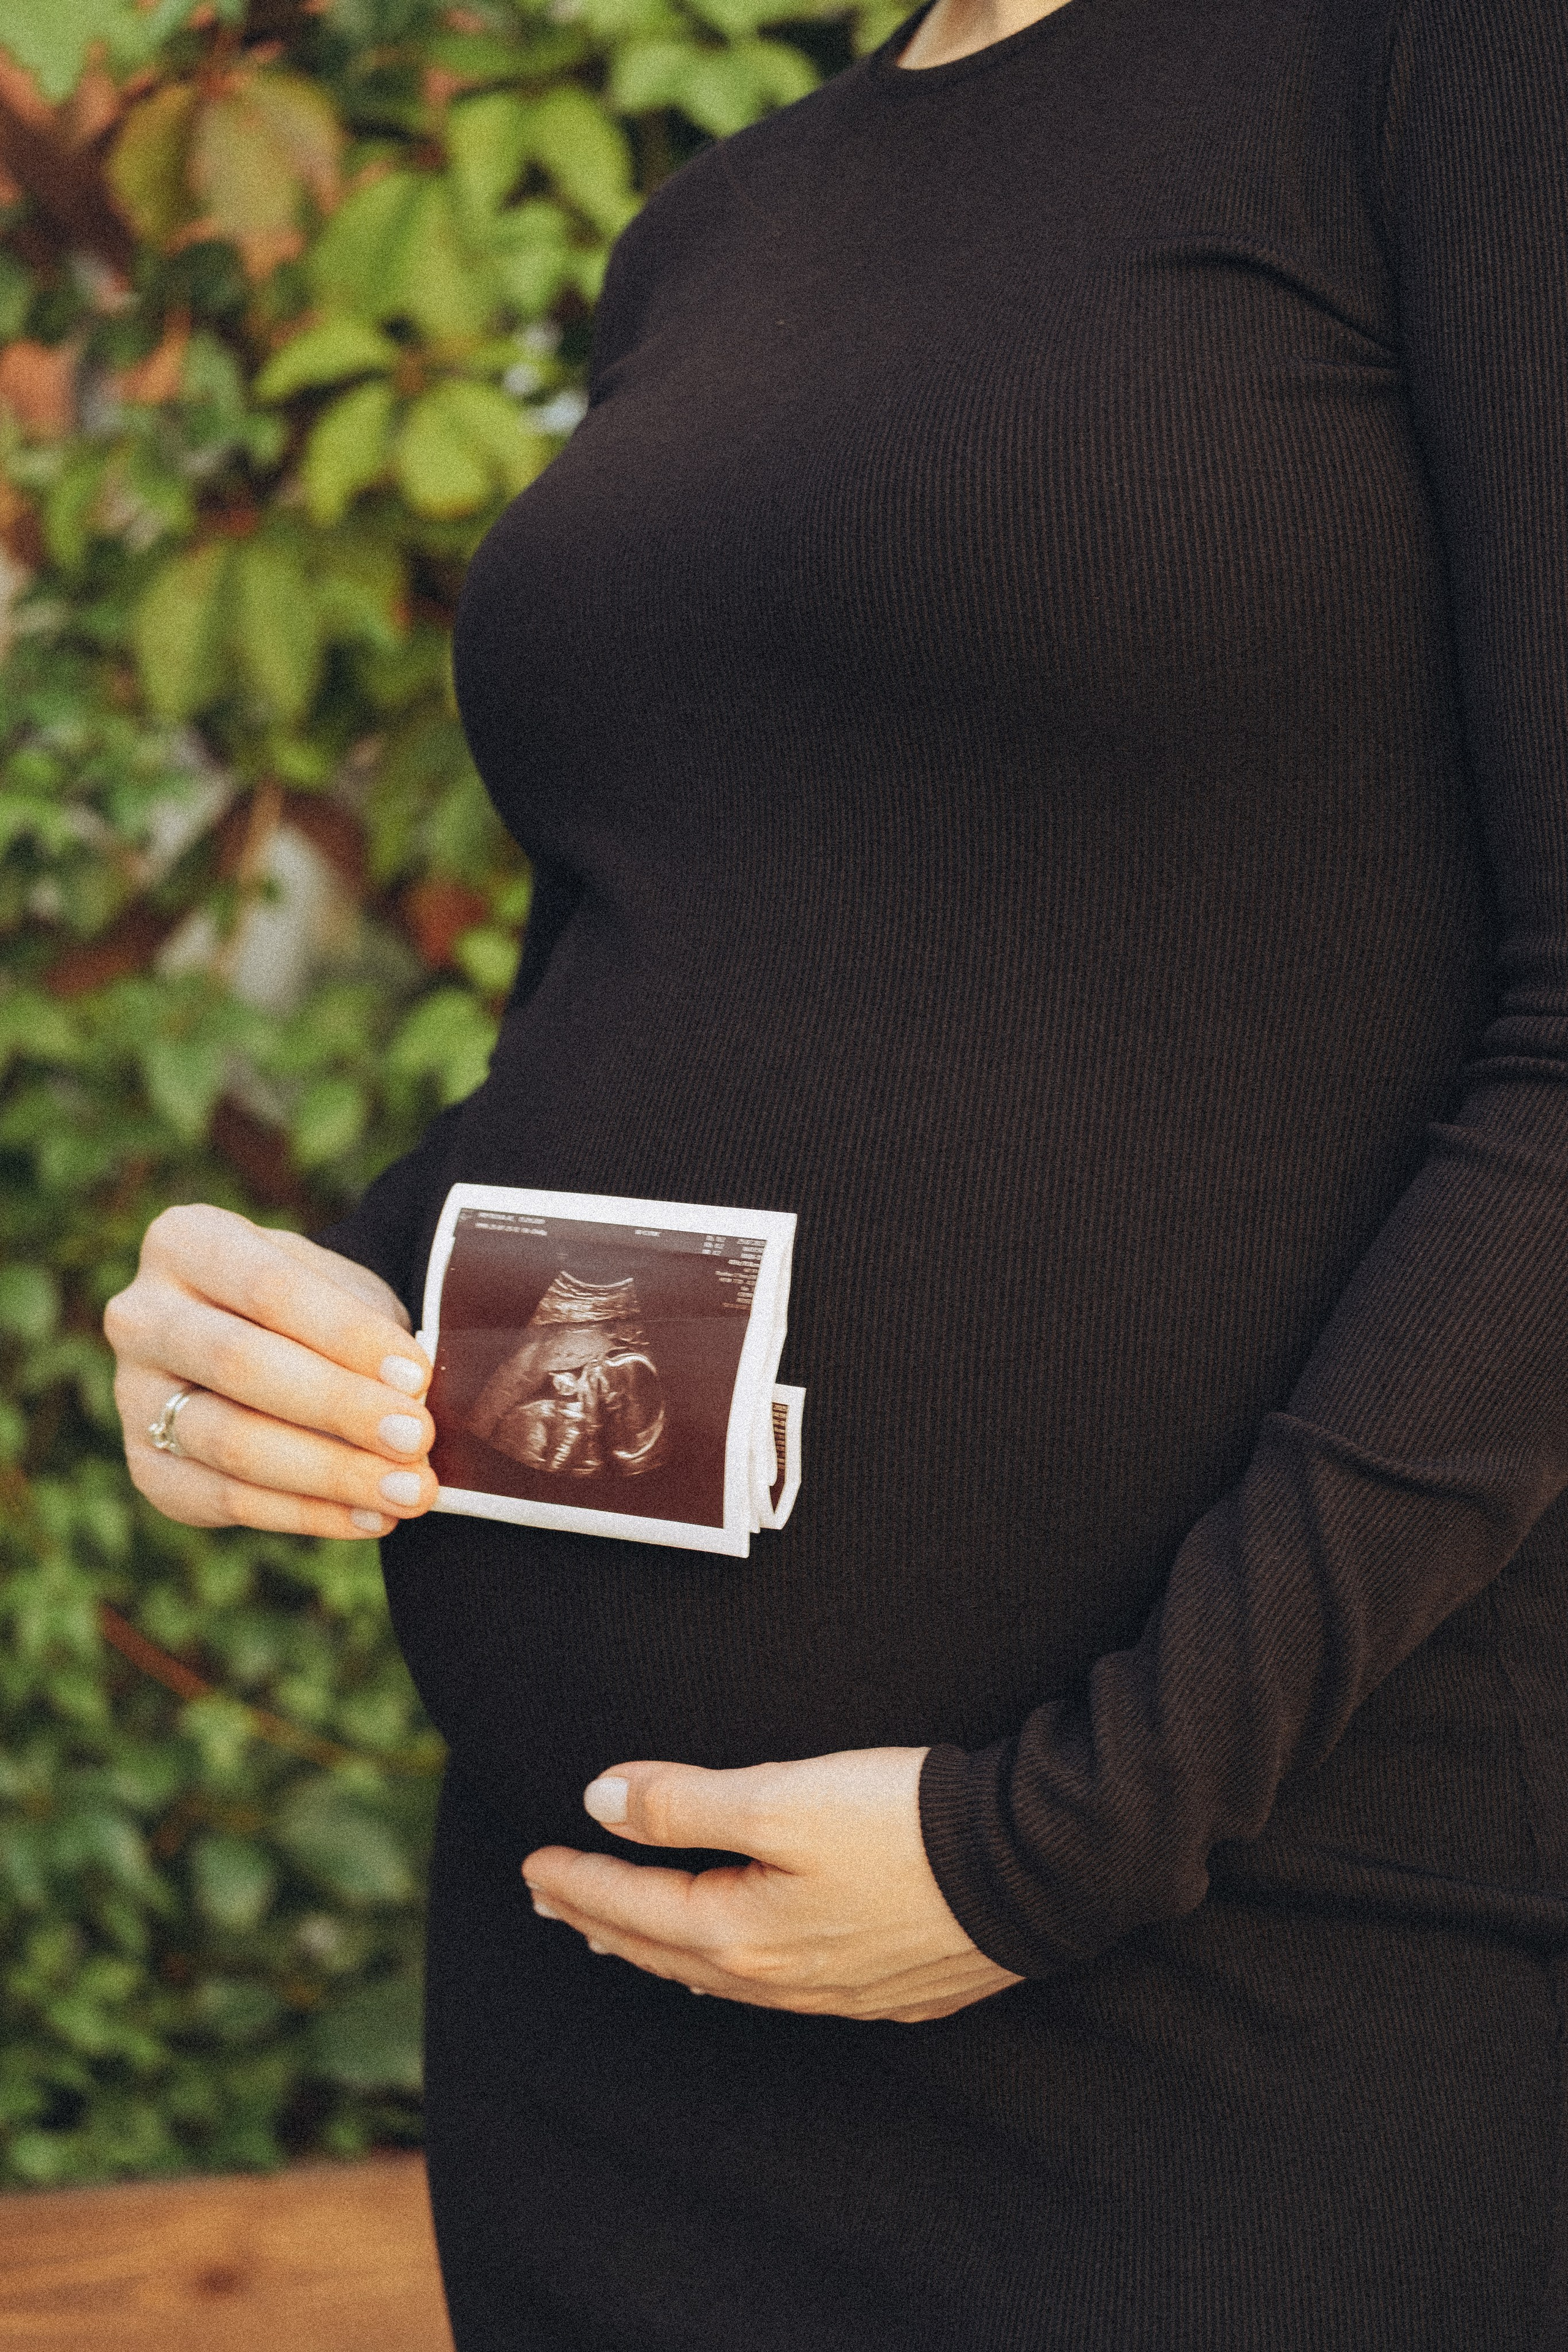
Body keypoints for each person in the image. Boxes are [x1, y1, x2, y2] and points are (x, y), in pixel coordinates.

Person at [104, 0, 1568, 2338]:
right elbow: (685, 973)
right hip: (598, 1979)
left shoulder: (1443, 66)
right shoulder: (731, 219)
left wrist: (1058, 1841)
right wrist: (316, 1314)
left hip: (1261, 1967)